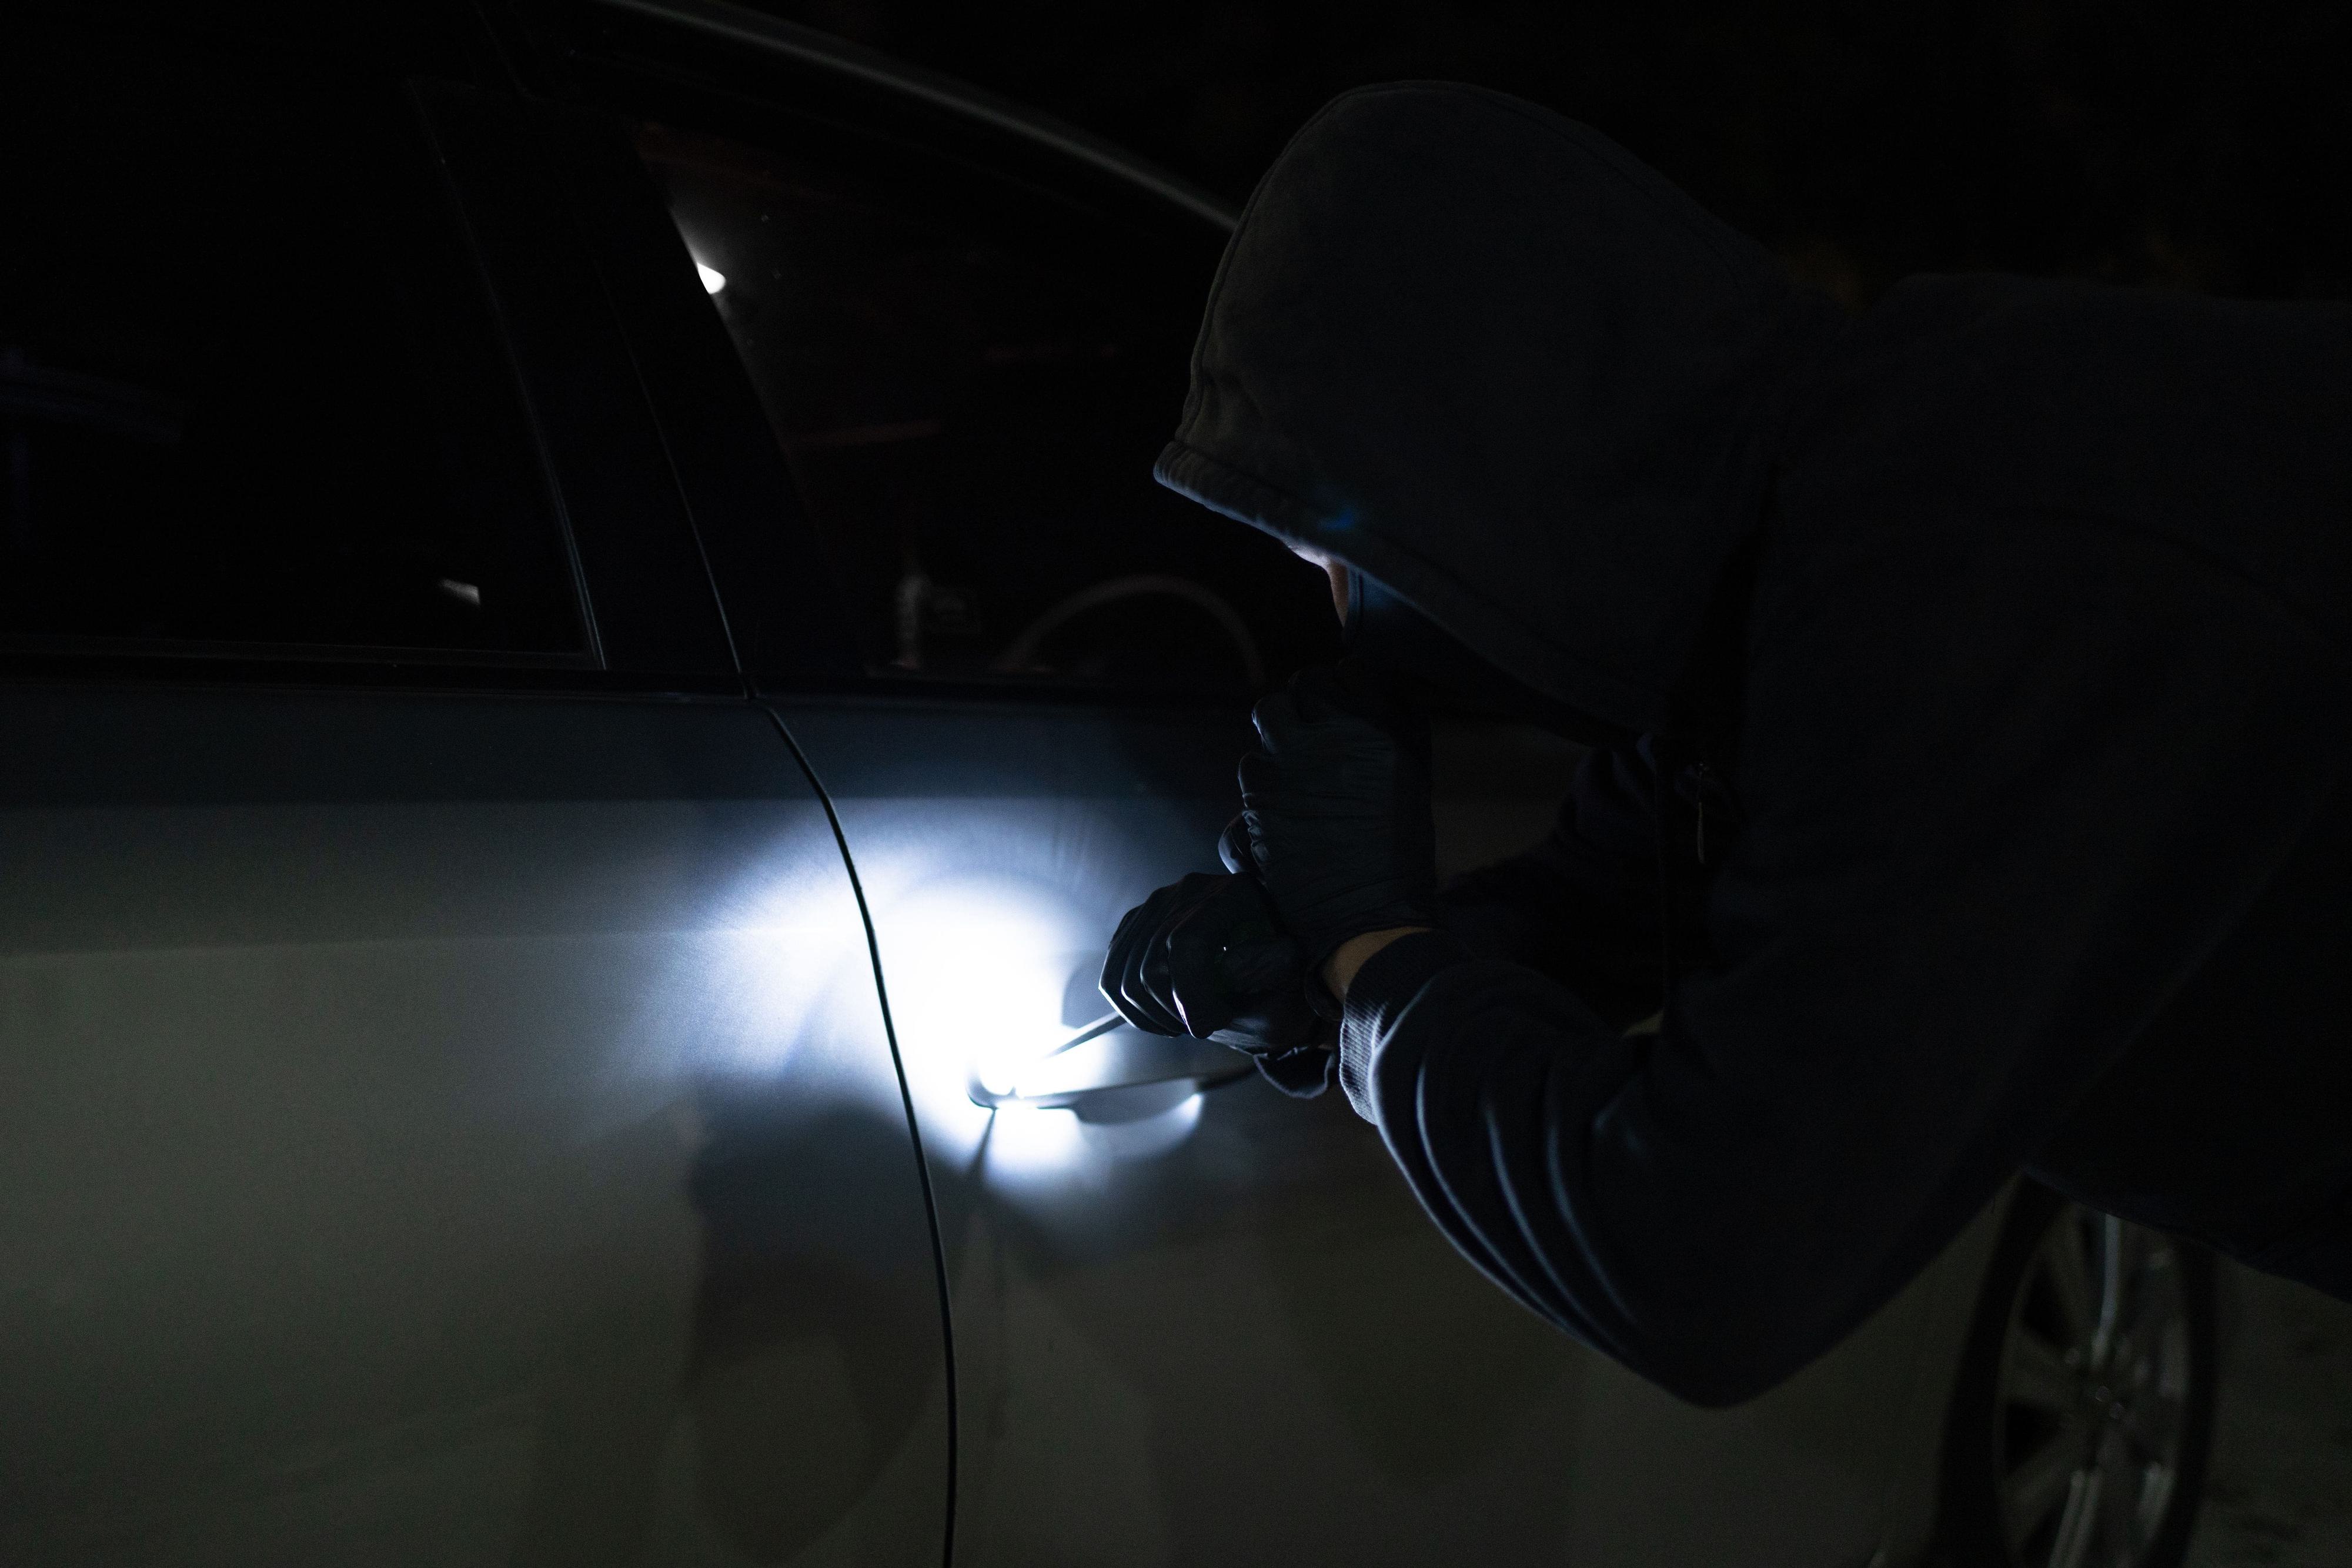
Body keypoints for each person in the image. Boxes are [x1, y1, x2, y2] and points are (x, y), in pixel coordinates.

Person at [1098, 82, 2352, 1406]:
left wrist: (1371, 949)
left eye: (1342, 554)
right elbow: (1608, 903)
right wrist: (1311, 980)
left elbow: (1699, 1263)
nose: (1346, 617)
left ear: (1489, 459)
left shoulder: (1969, 569)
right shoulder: (1810, 543)